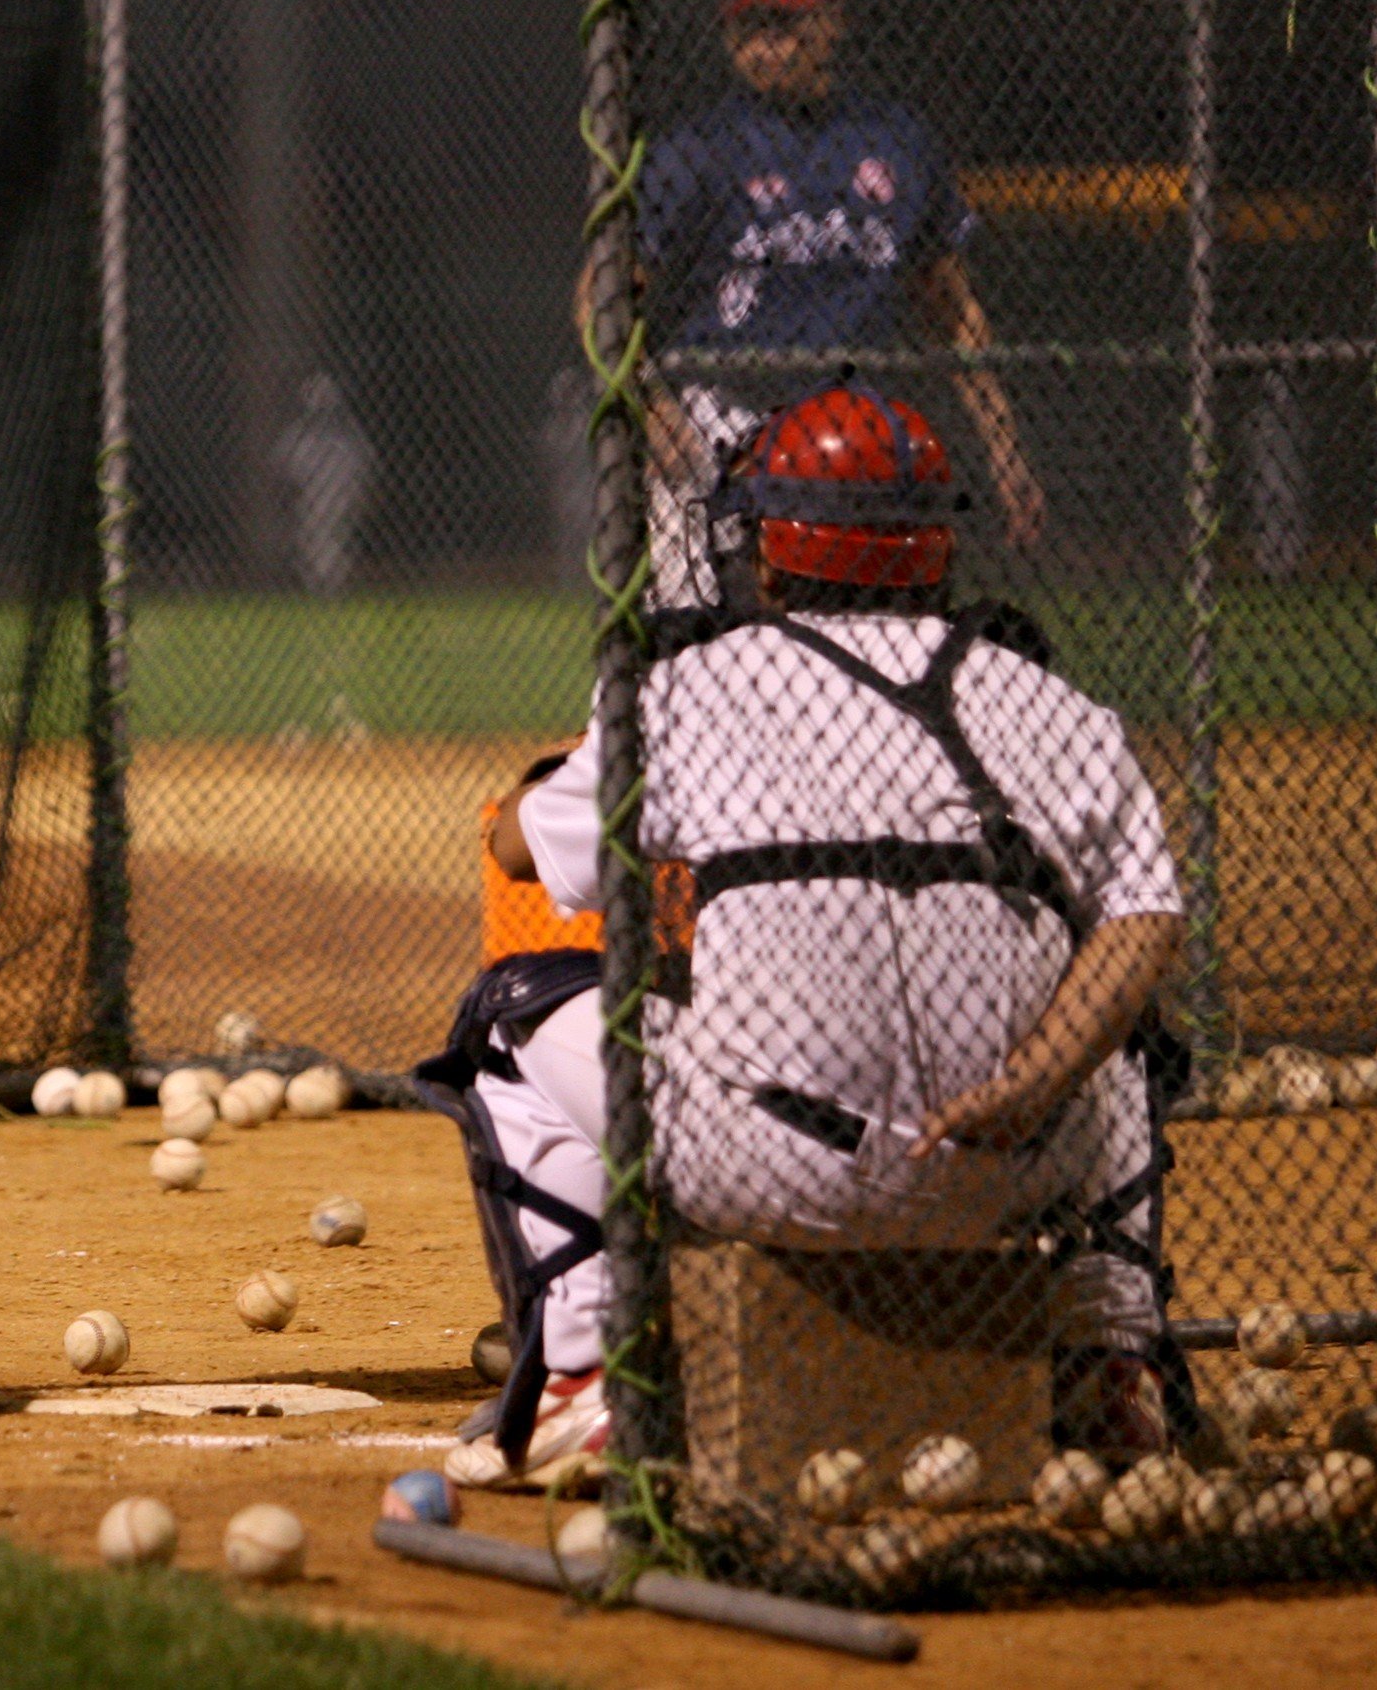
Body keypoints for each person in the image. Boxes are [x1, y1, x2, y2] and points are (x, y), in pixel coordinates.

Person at [429, 381, 1181, 1487]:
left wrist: (569, 761)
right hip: (1015, 1168)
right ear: (936, 547)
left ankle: (583, 1383)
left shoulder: (684, 690)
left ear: (766, 553)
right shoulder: (1043, 697)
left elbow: (519, 857)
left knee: (509, 1009)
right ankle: (1108, 1358)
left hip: (767, 1165)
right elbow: (1146, 915)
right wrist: (1030, 1081)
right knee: (1115, 1013)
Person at [592, 0, 1044, 606]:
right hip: (721, 420)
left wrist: (1003, 445)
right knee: (688, 634)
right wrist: (649, 405)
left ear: (832, 21)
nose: (765, 40)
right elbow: (600, 297)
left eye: (786, 19)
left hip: (851, 435)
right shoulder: (697, 153)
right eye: (748, 23)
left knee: (859, 632)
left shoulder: (896, 141)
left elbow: (951, 308)